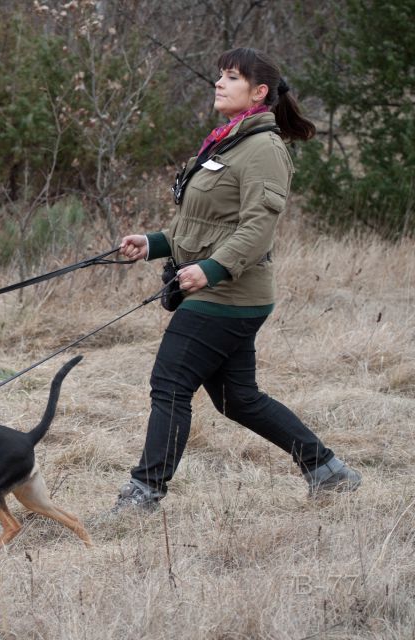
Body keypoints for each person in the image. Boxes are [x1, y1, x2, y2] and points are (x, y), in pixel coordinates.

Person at [114, 47, 361, 512]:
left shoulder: (264, 149)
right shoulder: (226, 143)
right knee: (237, 399)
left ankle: (144, 493)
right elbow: (204, 226)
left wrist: (210, 270)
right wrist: (153, 243)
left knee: (170, 384)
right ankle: (328, 471)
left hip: (229, 293)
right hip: (216, 290)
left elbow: (256, 227)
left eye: (231, 77)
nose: (219, 83)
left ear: (259, 91)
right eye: (219, 76)